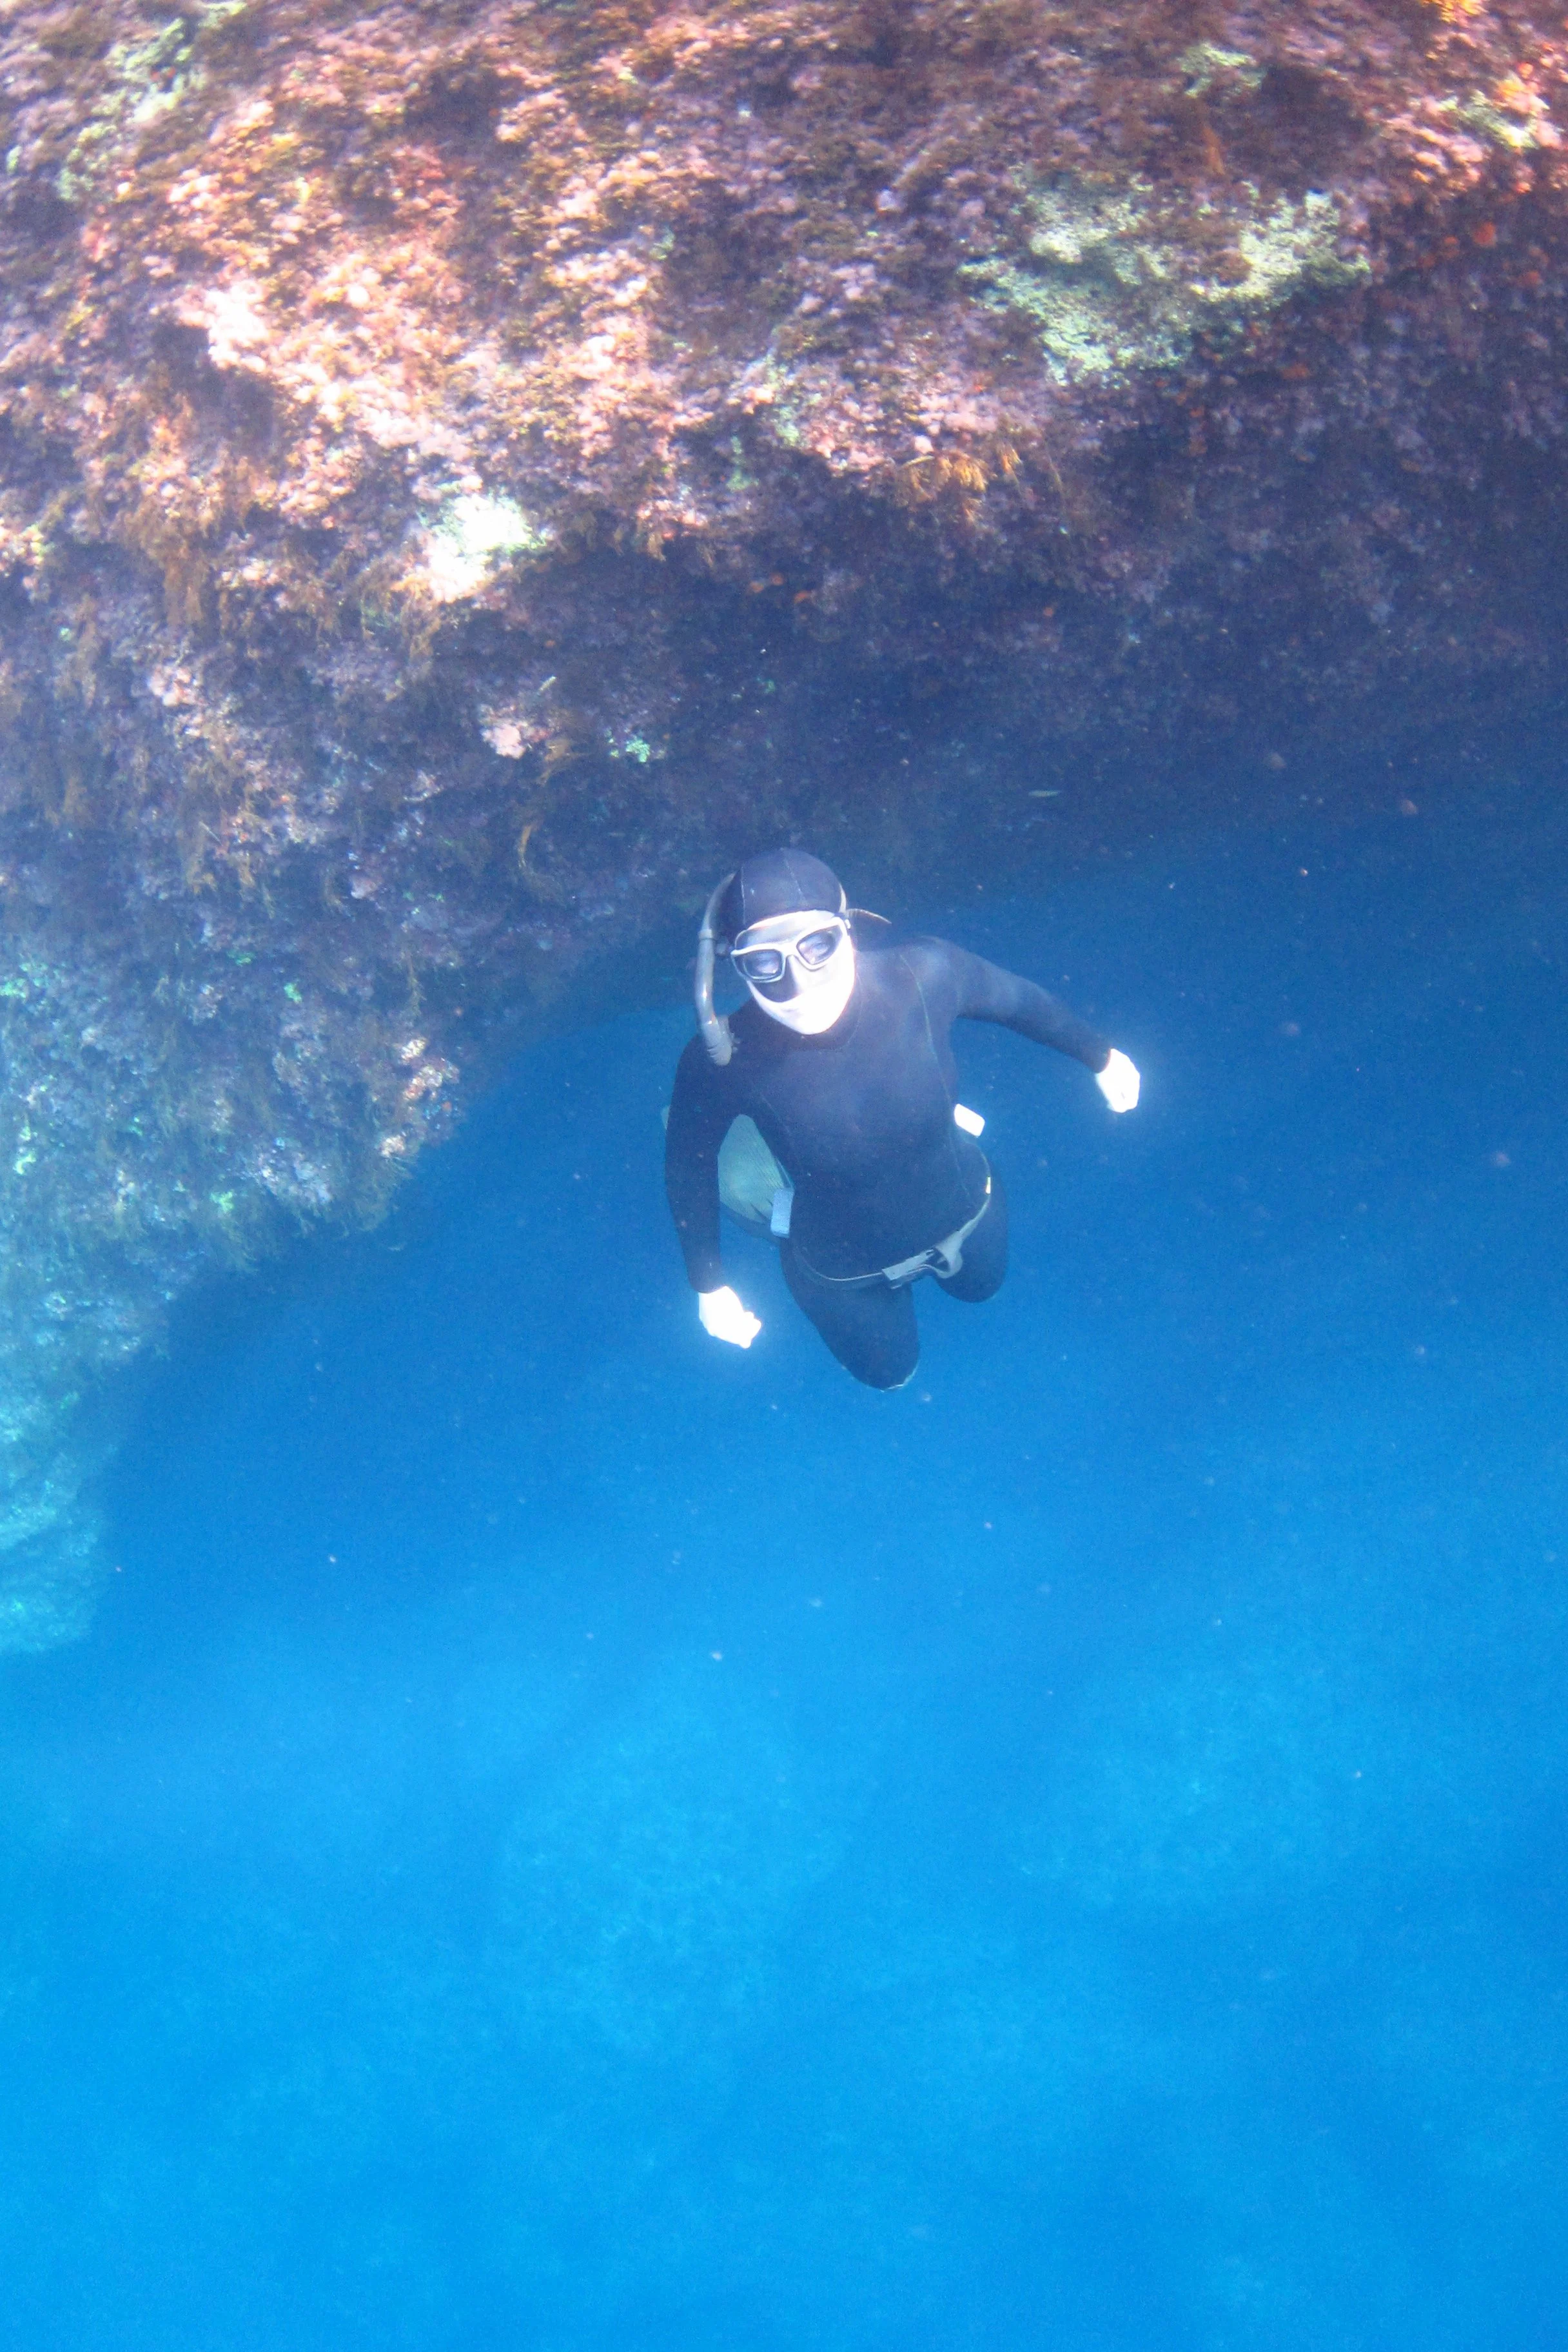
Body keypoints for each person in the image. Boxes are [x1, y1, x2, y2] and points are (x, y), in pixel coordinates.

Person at [663, 848, 1141, 1389]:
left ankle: (920, 1117)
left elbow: (1018, 1003)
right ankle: (767, 1203)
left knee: (981, 1288)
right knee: (890, 1375)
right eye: (765, 962)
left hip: (962, 1207)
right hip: (839, 1267)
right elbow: (687, 1164)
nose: (799, 985)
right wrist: (709, 1285)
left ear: (848, 928)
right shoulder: (720, 1059)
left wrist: (1100, 1055)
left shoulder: (926, 974)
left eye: (816, 945)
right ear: (732, 962)